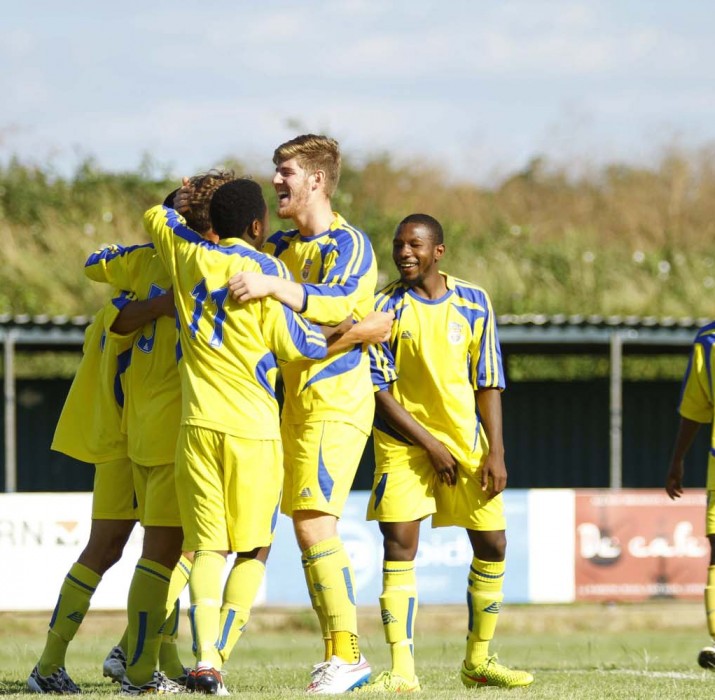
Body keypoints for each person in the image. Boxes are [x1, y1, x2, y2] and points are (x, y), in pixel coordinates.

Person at [144, 177, 384, 695]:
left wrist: (176, 203)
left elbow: (156, 220)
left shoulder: (186, 256)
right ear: (257, 227)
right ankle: (341, 654)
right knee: (253, 550)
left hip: (196, 425)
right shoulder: (267, 269)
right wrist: (357, 333)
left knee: (206, 549)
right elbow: (300, 346)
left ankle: (206, 660)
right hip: (253, 430)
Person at [227, 134, 379, 694]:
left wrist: (274, 286)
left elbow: (339, 304)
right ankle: (207, 656)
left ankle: (348, 656)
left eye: (285, 171)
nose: (276, 181)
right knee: (286, 527)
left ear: (316, 179)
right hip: (285, 405)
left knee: (315, 522)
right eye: (275, 171)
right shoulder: (282, 247)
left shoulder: (350, 243)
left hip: (334, 404)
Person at [363, 213, 534, 692]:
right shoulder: (384, 307)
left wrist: (495, 451)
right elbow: (378, 390)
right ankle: (401, 671)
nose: (403, 253)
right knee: (399, 544)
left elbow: (488, 379)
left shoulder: (475, 301)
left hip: (465, 443)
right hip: (404, 444)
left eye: (413, 245)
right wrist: (430, 444)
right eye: (398, 245)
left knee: (493, 544)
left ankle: (478, 663)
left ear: (438, 251)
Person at [83, 171, 237, 694]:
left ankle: (146, 659)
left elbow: (94, 265)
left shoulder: (155, 263)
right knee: (174, 553)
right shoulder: (203, 267)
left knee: (170, 552)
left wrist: (140, 298)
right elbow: (98, 266)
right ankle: (139, 664)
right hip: (183, 432)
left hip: (151, 433)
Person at [26, 292, 138, 694]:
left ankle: (55, 663)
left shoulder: (121, 302)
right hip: (143, 443)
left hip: (124, 443)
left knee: (107, 550)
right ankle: (134, 659)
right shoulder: (150, 300)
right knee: (178, 549)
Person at [666, 320, 715, 670]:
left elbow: (695, 409)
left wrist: (677, 460)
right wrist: (677, 460)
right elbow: (695, 408)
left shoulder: (709, 340)